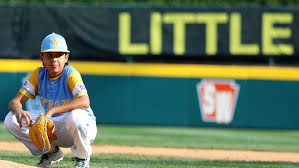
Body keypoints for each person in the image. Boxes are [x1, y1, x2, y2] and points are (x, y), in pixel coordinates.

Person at [4, 33, 97, 168]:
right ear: (42, 58)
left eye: (58, 55)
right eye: (49, 55)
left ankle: (82, 158)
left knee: (76, 117)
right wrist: (18, 111)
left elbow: (84, 101)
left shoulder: (70, 73)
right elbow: (14, 102)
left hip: (82, 127)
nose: (54, 60)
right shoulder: (39, 74)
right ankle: (51, 152)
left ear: (66, 57)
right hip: (54, 126)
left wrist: (52, 111)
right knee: (11, 119)